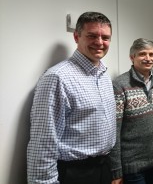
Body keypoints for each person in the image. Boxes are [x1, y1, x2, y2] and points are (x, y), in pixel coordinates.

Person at [27, 11, 116, 184]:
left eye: (105, 37)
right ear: (76, 37)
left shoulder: (104, 75)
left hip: (103, 168)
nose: (99, 42)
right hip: (75, 174)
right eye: (92, 36)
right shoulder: (57, 77)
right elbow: (43, 143)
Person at [109, 38, 153, 184]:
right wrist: (116, 170)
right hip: (133, 164)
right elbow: (115, 130)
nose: (148, 58)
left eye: (151, 54)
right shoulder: (120, 85)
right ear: (132, 57)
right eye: (143, 54)